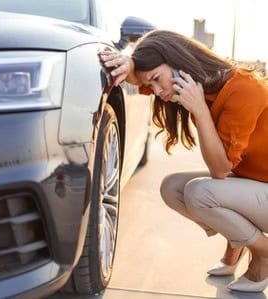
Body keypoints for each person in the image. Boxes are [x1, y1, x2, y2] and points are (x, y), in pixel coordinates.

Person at [99, 29, 268, 292]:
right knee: (172, 187)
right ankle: (239, 241)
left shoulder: (243, 89)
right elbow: (136, 74)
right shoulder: (197, 86)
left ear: (179, 63)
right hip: (256, 185)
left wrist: (199, 110)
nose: (156, 91)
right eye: (151, 85)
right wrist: (129, 60)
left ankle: (263, 251)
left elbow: (221, 171)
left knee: (200, 192)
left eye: (157, 80)